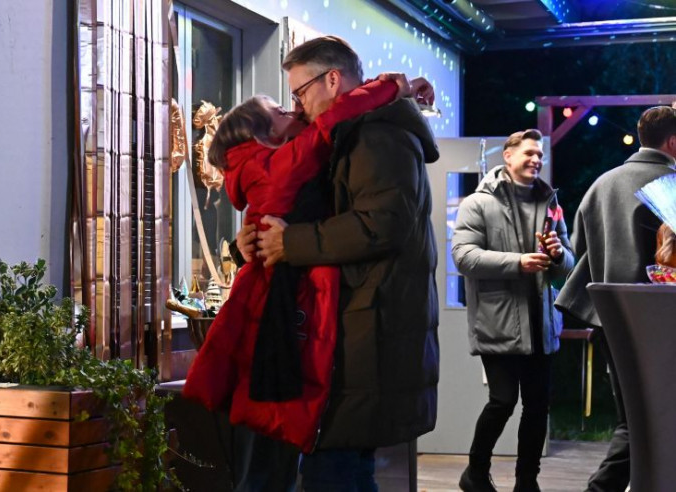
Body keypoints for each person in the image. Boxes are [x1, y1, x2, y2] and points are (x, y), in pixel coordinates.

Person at [244, 35, 440, 491]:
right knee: (341, 471)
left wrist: (290, 242)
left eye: (300, 92)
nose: (298, 107)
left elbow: (381, 223)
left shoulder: (376, 134)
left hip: (367, 334)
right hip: (358, 329)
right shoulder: (353, 132)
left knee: (335, 472)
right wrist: (253, 240)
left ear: (332, 80)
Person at [555, 105, 676, 492]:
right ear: (673, 142)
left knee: (633, 417)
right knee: (650, 420)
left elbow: (578, 249)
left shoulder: (601, 185)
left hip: (609, 318)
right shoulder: (671, 185)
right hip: (662, 320)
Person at [451, 129, 574, 492]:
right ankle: (475, 473)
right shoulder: (478, 203)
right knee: (503, 401)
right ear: (508, 156)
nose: (537, 159)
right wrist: (517, 263)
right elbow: (464, 257)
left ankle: (527, 482)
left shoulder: (550, 203)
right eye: (529, 153)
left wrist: (558, 255)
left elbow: (568, 263)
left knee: (537, 407)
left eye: (540, 155)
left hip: (542, 323)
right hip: (499, 321)